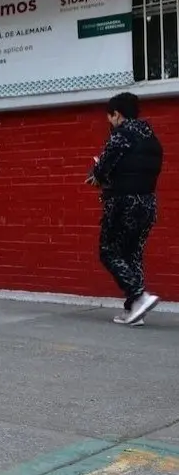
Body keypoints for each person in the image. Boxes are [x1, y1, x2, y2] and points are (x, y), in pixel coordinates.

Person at [87, 92, 162, 326]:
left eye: (110, 117)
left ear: (117, 114)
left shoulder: (121, 136)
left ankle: (139, 297)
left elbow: (102, 171)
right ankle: (134, 311)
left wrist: (96, 175)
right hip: (147, 202)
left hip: (123, 202)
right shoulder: (152, 139)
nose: (109, 123)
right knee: (132, 254)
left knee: (108, 251)